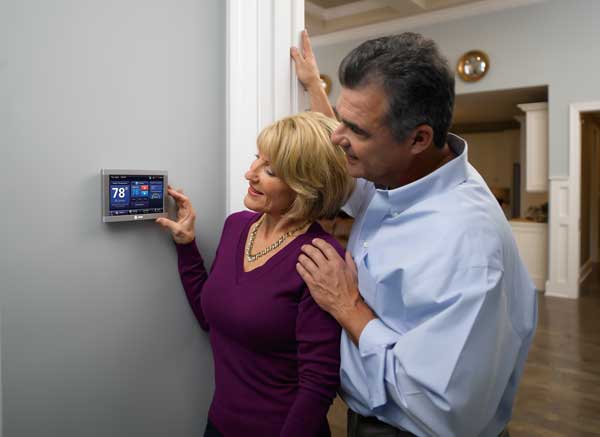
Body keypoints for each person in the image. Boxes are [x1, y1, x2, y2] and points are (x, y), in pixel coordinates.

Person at [291, 31, 537, 437]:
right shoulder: (400, 173)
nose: (337, 138)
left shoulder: (466, 245)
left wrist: (347, 306)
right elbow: (347, 157)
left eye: (356, 130)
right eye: (341, 119)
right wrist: (314, 86)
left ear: (418, 138)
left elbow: (443, 409)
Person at [157, 111, 354, 436]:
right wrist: (186, 246)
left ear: (306, 185)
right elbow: (211, 316)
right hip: (218, 425)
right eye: (256, 160)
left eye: (271, 170)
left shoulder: (321, 256)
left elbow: (318, 384)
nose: (250, 174)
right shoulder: (236, 226)